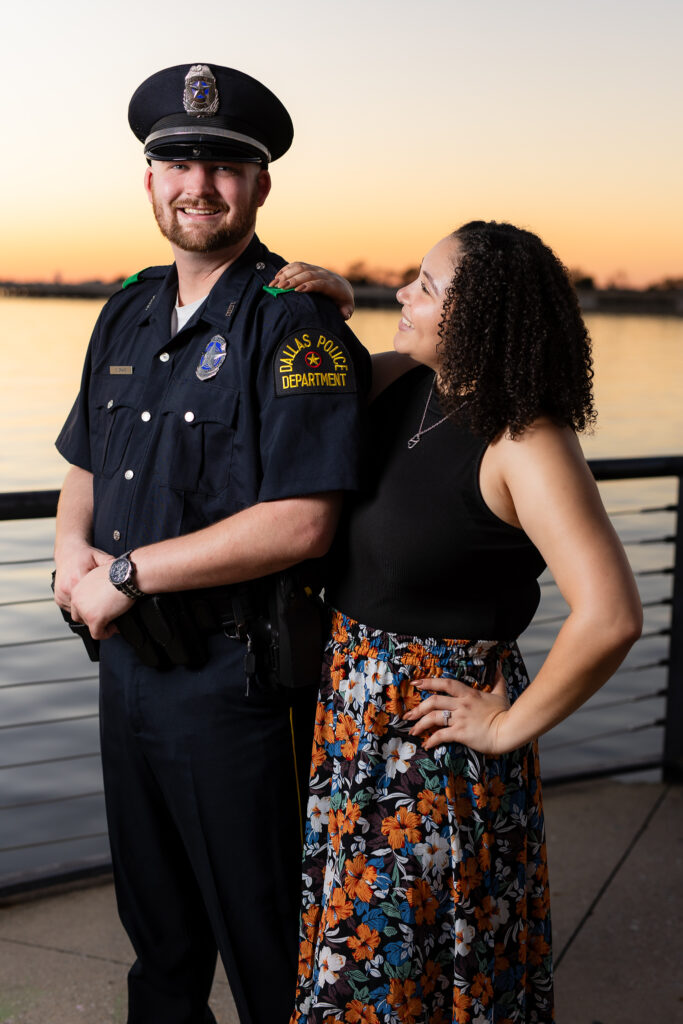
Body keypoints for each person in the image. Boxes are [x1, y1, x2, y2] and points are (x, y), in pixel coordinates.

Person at [52, 63, 370, 1024]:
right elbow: (85, 462)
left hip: (234, 684)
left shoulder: (294, 323)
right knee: (159, 940)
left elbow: (302, 521)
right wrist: (72, 553)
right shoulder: (129, 307)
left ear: (260, 184)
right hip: (126, 667)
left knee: (267, 941)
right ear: (148, 181)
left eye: (226, 165)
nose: (199, 184)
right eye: (177, 162)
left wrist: (127, 573)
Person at [270, 222, 643, 1024]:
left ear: (480, 319)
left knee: (407, 985)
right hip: (351, 737)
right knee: (354, 977)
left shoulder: (526, 441)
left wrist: (507, 724)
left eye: (426, 286)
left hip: (432, 760)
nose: (401, 293)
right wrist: (328, 318)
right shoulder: (406, 385)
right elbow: (299, 390)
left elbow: (610, 615)